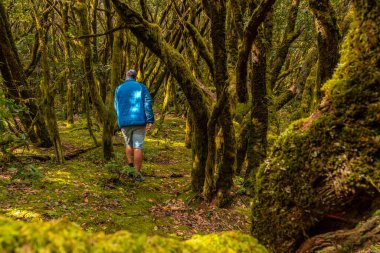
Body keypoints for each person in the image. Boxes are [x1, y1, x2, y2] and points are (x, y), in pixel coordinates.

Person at [114, 69, 154, 182]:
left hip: (124, 121)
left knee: (128, 144)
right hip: (139, 120)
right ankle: (136, 174)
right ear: (135, 77)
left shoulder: (119, 88)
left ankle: (131, 169)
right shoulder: (141, 87)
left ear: (126, 76)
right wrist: (149, 119)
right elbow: (147, 102)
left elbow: (116, 106)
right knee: (138, 146)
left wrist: (120, 119)